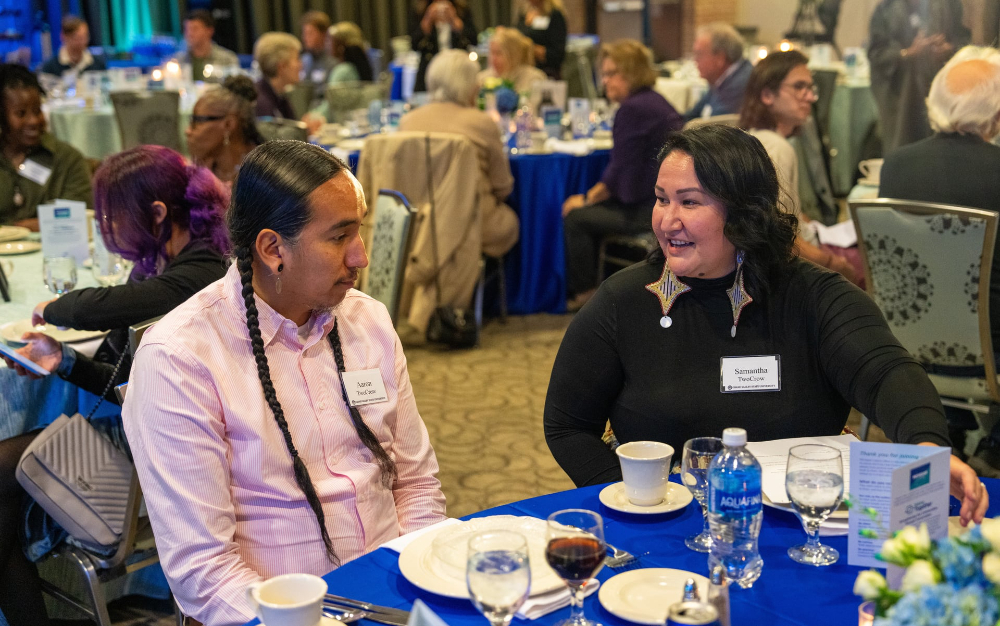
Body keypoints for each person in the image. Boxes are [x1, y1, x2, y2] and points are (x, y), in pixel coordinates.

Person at [543, 125, 988, 527]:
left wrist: (926, 446)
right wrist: (628, 498)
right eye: (662, 199)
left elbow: (886, 372)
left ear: (743, 213)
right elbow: (567, 425)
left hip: (800, 526)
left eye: (690, 201)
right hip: (664, 525)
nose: (667, 220)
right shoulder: (624, 300)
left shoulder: (810, 296)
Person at [122, 141, 447, 625]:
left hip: (394, 595)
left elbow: (417, 485)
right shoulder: (181, 359)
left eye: (359, 231)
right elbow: (204, 571)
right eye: (339, 238)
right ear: (273, 249)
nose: (360, 257)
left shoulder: (369, 322)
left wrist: (422, 592)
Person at [0, 145, 230, 626]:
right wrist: (61, 360)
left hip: (175, 449)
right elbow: (121, 378)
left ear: (158, 214)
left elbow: (98, 305)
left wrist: (54, 310)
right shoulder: (160, 264)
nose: (109, 229)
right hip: (140, 426)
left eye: (113, 216)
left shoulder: (203, 270)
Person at [879, 46, 1000, 473]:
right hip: (991, 351)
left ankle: (953, 419)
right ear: (995, 114)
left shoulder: (895, 166)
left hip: (907, 346)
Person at [562, 40, 683, 310]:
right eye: (603, 74)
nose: (605, 81)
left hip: (645, 209)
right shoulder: (654, 101)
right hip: (664, 201)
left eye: (610, 73)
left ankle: (585, 296)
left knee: (576, 218)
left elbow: (618, 172)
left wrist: (585, 199)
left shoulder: (633, 109)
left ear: (630, 72)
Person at [739, 50, 858, 283]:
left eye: (811, 88)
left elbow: (781, 213)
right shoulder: (776, 148)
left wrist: (804, 220)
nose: (810, 97)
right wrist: (835, 265)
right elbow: (781, 240)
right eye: (799, 87)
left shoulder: (758, 139)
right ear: (767, 95)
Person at [868, 0, 970, 153]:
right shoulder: (886, 9)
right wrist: (907, 53)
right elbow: (876, 54)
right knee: (904, 153)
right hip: (901, 100)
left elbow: (965, 42)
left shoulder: (949, 4)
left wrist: (949, 49)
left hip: (944, 95)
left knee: (942, 153)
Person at [0, 64, 91, 230]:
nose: (34, 121)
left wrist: (21, 228)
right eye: (21, 113)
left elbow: (79, 219)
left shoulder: (66, 159)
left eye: (37, 111)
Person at [186, 75, 264, 185]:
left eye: (197, 121)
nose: (188, 131)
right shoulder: (202, 170)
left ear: (228, 124)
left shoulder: (262, 175)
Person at [684, 22, 753, 121]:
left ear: (720, 59)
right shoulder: (721, 79)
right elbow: (692, 116)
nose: (695, 60)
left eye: (699, 54)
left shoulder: (741, 83)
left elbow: (715, 128)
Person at [410, 0, 478, 93]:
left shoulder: (461, 9)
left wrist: (454, 20)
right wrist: (428, 19)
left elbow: (474, 40)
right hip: (430, 69)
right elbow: (413, 45)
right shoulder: (422, 10)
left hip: (457, 69)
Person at [478, 27, 547, 94]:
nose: (493, 58)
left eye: (498, 53)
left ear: (514, 55)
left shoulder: (534, 79)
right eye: (492, 53)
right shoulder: (482, 79)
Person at [179, 10, 240, 82]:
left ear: (209, 31)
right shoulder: (179, 61)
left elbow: (235, 87)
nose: (189, 34)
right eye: (187, 29)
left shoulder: (227, 59)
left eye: (194, 29)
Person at [253, 32, 302, 119]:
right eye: (297, 59)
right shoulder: (262, 104)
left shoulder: (279, 96)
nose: (301, 65)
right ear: (282, 66)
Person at [515, 0, 567, 79]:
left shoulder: (555, 15)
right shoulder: (524, 13)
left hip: (547, 73)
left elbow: (558, 54)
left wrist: (531, 48)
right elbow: (517, 36)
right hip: (524, 71)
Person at [39, 16, 106, 77]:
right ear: (64, 37)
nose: (83, 42)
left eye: (85, 37)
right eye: (78, 38)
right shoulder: (50, 67)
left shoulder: (98, 64)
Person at [300, 10, 335, 90]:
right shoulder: (303, 61)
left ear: (323, 34)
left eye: (310, 33)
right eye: (304, 33)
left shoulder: (334, 61)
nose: (305, 38)